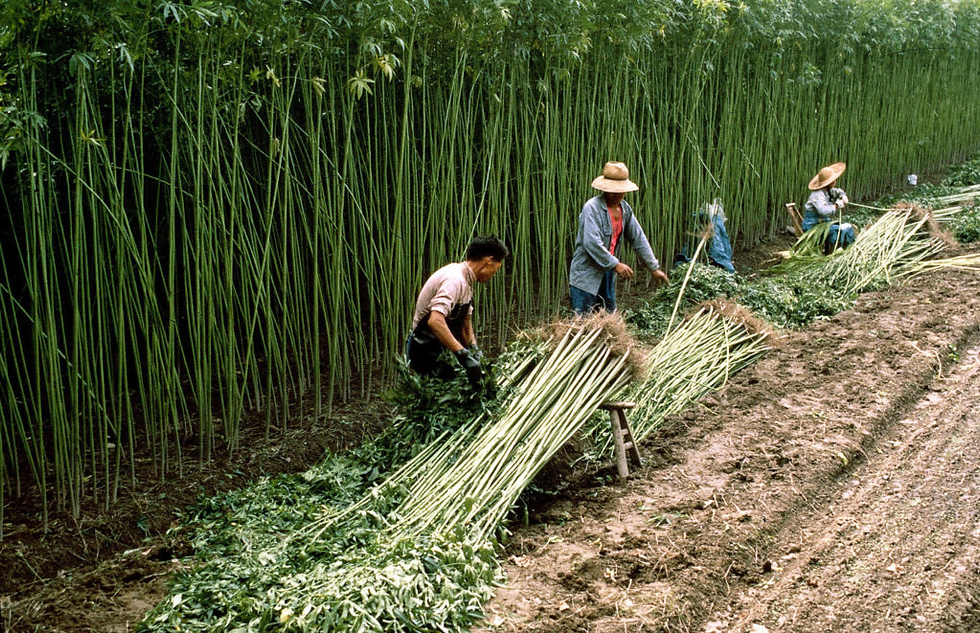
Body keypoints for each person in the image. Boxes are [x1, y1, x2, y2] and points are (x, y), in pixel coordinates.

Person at [406, 235, 509, 386]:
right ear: (488, 262)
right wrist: (462, 354)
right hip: (424, 349)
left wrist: (474, 350)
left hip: (441, 347)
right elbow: (435, 320)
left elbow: (465, 324)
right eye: (495, 269)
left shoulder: (466, 282)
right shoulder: (455, 280)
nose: (494, 275)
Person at [569, 161, 669, 314]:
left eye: (620, 191)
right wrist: (616, 264)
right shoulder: (592, 208)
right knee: (583, 324)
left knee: (608, 320)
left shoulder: (625, 209)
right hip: (586, 276)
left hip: (606, 273)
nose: (616, 194)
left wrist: (654, 268)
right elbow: (591, 243)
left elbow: (638, 238)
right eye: (612, 190)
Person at [803, 162, 856, 251]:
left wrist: (842, 195)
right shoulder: (817, 195)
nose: (835, 181)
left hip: (823, 223)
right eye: (833, 180)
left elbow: (837, 191)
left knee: (848, 227)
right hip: (813, 225)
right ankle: (836, 251)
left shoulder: (827, 190)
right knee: (842, 229)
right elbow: (824, 211)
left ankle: (847, 250)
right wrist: (836, 205)